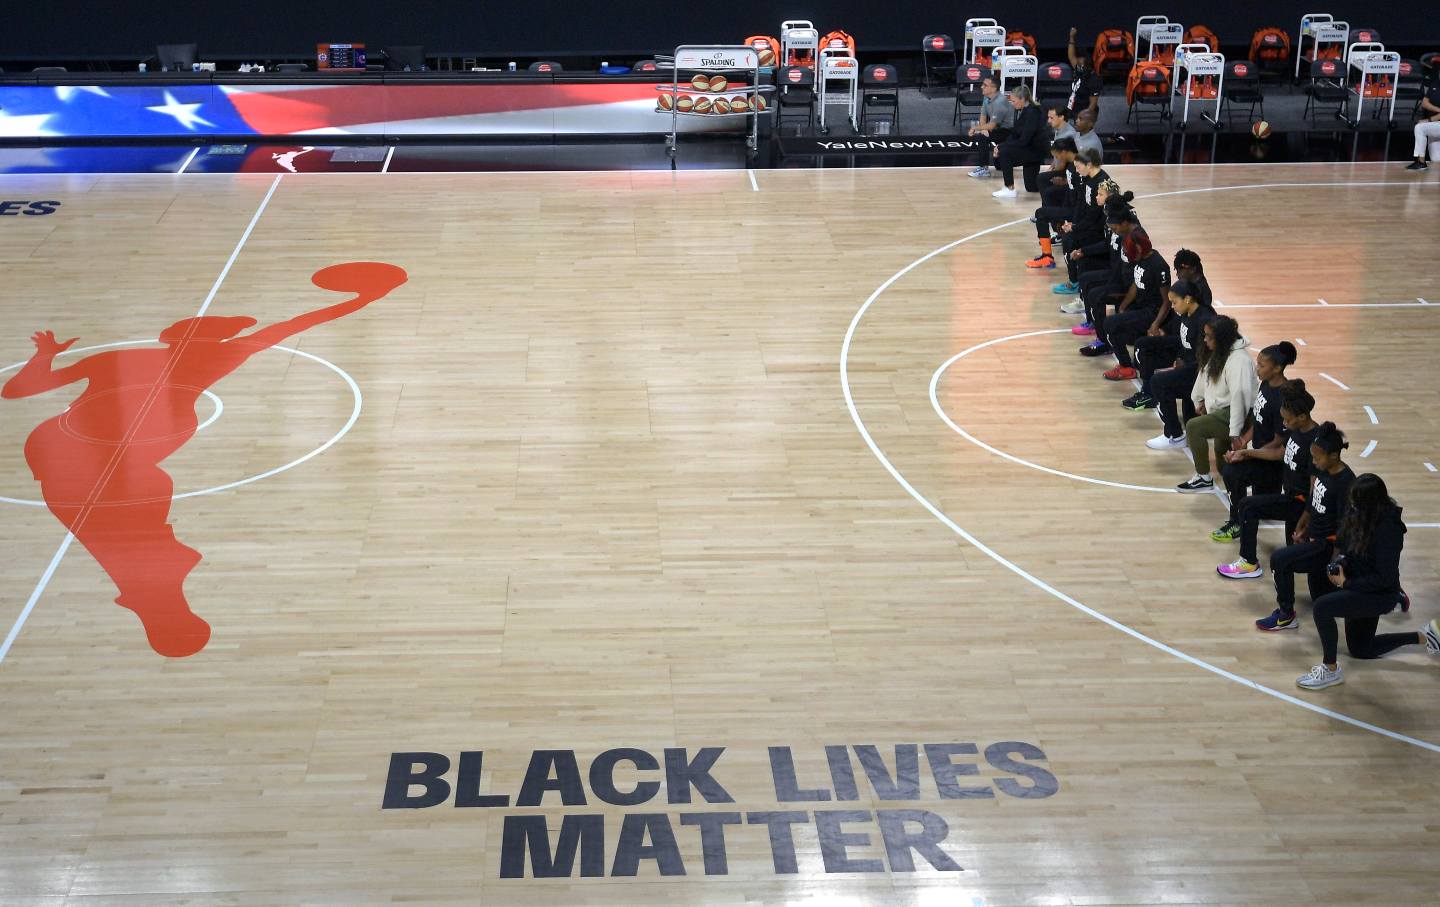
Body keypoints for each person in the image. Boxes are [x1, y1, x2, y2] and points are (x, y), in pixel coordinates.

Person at [0, 262, 409, 657]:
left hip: (64, 454)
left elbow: (17, 391)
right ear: (210, 339)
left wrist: (45, 355)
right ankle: (159, 612)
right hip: (93, 462)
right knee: (138, 549)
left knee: (135, 549)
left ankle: (159, 611)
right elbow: (292, 326)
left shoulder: (120, 360)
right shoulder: (216, 359)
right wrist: (366, 297)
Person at [1295, 474, 1440, 689]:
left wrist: (1346, 584)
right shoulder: (1360, 514)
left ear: (1371, 503)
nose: (1352, 506)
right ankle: (1426, 636)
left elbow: (1384, 578)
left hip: (1379, 594)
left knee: (1322, 608)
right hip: (1359, 582)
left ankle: (1330, 670)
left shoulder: (1388, 531)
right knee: (1362, 649)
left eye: (1356, 502)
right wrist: (1341, 562)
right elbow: (1345, 545)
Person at [1255, 422, 1356, 631]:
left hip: (1326, 546)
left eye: (1317, 458)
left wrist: (1334, 560)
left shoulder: (1346, 482)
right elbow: (1313, 502)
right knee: (1319, 598)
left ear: (1334, 456)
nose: (1313, 462)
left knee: (1280, 559)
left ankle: (1286, 615)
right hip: (1313, 537)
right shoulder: (1324, 469)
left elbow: (1344, 525)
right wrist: (1303, 526)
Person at [1219, 380, 1320, 578]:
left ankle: (1248, 563)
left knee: (1248, 506)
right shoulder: (1297, 430)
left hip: (1298, 504)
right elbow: (1279, 453)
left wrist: (1306, 520)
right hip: (1289, 496)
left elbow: (1314, 489)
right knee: (1294, 559)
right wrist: (1246, 453)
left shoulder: (1314, 444)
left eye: (1287, 420)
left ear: (1301, 416)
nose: (1284, 424)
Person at [1212, 341, 1298, 540]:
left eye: (1261, 365)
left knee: (1232, 472)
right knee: (1232, 469)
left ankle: (1237, 523)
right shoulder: (1266, 384)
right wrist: (1243, 441)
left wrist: (1246, 454)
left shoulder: (1283, 398)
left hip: (1274, 461)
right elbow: (1258, 421)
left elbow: (1278, 442)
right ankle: (1240, 518)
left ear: (1277, 368)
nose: (1257, 369)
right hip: (1260, 452)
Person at [1177, 316, 1255, 492]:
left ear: (1223, 337)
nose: (1205, 340)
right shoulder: (1221, 352)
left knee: (1194, 427)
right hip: (1221, 410)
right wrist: (1199, 398)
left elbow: (1240, 398)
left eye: (1209, 336)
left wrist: (1235, 433)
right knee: (1223, 461)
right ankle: (1239, 483)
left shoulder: (1240, 360)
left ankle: (1203, 478)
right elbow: (1205, 374)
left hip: (1236, 413)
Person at [1126, 278, 1210, 412]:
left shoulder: (1204, 320)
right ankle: (1148, 394)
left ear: (1187, 299)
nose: (1173, 306)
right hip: (1185, 358)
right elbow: (1184, 342)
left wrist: (1184, 363)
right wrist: (1178, 356)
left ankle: (1173, 432)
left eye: (1174, 302)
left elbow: (1206, 355)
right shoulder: (1186, 312)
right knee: (1143, 345)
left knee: (1160, 382)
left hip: (1197, 368)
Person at [1099, 231, 1171, 382]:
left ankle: (1126, 367)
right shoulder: (1141, 258)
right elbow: (1136, 284)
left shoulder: (1159, 265)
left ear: (1139, 249)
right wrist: (1123, 306)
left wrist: (1155, 324)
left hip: (1152, 311)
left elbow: (1167, 300)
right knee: (1114, 323)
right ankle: (1127, 363)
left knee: (1109, 323)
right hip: (1140, 306)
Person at [1076, 196, 1142, 351]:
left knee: (1095, 295)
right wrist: (1083, 251)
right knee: (1086, 279)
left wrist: (1119, 295)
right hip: (1117, 275)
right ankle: (1094, 325)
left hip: (1126, 284)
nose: (1113, 231)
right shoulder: (1120, 229)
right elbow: (1109, 249)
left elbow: (1133, 270)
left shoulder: (1135, 238)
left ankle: (1104, 342)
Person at [1054, 152, 1111, 300]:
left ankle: (1074, 282)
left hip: (1097, 229)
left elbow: (1095, 215)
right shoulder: (1087, 179)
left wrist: (1076, 227)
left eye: (1078, 167)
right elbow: (1081, 203)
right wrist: (1072, 223)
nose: (1077, 171)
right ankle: (1074, 280)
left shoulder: (1102, 182)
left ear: (1089, 165)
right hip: (1086, 224)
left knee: (1070, 240)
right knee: (1067, 236)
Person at [1027, 137, 1078, 269]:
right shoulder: (1073, 164)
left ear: (1064, 152)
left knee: (1041, 213)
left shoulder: (1078, 169)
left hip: (1076, 210)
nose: (1057, 159)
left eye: (1057, 156)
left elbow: (1077, 195)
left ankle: (1047, 257)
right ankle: (1055, 227)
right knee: (1048, 192)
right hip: (1071, 203)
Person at [991, 84, 1049, 199]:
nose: (1012, 104)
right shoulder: (1022, 110)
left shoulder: (1033, 112)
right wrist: (1001, 145)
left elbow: (1024, 140)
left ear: (1022, 99)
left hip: (1035, 151)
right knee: (1031, 188)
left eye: (1014, 101)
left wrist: (1002, 147)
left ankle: (1010, 188)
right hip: (1030, 148)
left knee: (1005, 153)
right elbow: (1015, 133)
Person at [967, 76, 1014, 178]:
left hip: (1009, 132)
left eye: (985, 85)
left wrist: (975, 128)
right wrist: (983, 128)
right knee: (983, 136)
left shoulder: (1000, 102)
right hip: (998, 128)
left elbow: (992, 125)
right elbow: (983, 115)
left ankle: (984, 169)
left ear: (993, 88)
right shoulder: (986, 97)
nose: (981, 87)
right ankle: (984, 167)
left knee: (983, 138)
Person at [1065, 28, 1103, 121]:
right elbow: (1071, 56)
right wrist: (1071, 37)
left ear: (1087, 62)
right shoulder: (1078, 69)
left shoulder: (1094, 79)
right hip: (1072, 108)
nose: (1077, 61)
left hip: (1084, 112)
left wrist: (1083, 119)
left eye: (1080, 60)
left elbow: (1093, 104)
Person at [1406, 79, 1440, 171]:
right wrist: (1438, 109)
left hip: (1435, 123)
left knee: (1420, 128)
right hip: (1435, 125)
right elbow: (1424, 103)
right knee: (1436, 159)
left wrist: (1428, 120)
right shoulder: (1435, 83)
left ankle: (1421, 162)